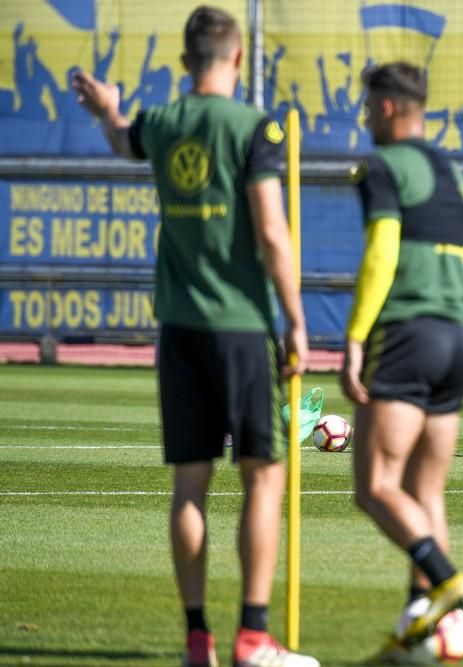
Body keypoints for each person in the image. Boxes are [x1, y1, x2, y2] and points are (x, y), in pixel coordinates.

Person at [72, 7, 317, 667]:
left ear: (185, 64)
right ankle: (253, 638)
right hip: (240, 326)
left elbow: (123, 141)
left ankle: (196, 639)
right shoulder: (253, 127)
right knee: (264, 477)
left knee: (190, 484)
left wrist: (109, 109)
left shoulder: (162, 122)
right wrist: (296, 317)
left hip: (178, 330)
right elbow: (271, 231)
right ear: (238, 59)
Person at [340, 61, 463, 663]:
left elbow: (381, 253)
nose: (365, 115)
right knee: (426, 494)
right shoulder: (457, 174)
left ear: (389, 107)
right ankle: (424, 635)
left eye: (369, 105)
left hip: (406, 337)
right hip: (456, 338)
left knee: (375, 487)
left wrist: (353, 337)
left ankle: (446, 579)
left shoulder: (382, 167)